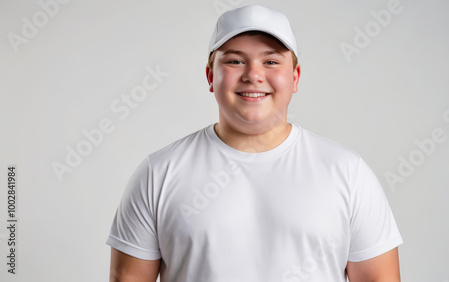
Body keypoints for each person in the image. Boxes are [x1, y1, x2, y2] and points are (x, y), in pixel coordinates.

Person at [106, 4, 403, 282]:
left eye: (271, 61)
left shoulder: (348, 172)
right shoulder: (159, 172)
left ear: (295, 77)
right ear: (211, 76)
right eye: (235, 61)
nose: (253, 75)